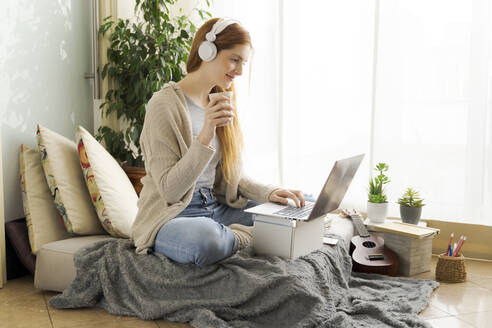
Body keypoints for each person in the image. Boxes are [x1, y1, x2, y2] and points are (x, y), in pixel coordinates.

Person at [131, 17, 306, 266]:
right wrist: (206, 132)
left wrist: (270, 193)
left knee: (294, 206)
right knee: (207, 241)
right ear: (207, 50)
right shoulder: (163, 105)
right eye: (234, 60)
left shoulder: (221, 98)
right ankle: (252, 239)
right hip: (172, 216)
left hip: (215, 207)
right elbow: (169, 190)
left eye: (244, 62)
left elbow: (230, 175)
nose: (240, 71)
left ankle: (244, 236)